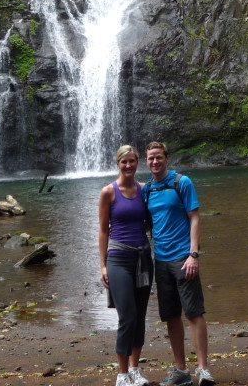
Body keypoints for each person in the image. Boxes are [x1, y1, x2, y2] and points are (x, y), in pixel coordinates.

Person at [143, 141, 216, 386]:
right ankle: (181, 370)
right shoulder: (148, 189)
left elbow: (195, 218)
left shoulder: (181, 182)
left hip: (183, 258)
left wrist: (193, 254)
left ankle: (203, 369)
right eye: (151, 158)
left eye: (158, 157)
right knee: (171, 316)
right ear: (147, 161)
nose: (155, 162)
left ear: (167, 158)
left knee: (194, 313)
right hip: (160, 261)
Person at [99, 145, 154, 386]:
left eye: (132, 161)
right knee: (127, 316)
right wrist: (102, 265)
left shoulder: (145, 190)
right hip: (118, 259)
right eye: (124, 162)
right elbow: (102, 230)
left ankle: (134, 369)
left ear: (137, 162)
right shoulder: (108, 192)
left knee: (140, 316)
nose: (129, 166)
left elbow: (153, 221)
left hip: (143, 258)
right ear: (117, 163)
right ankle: (121, 374)